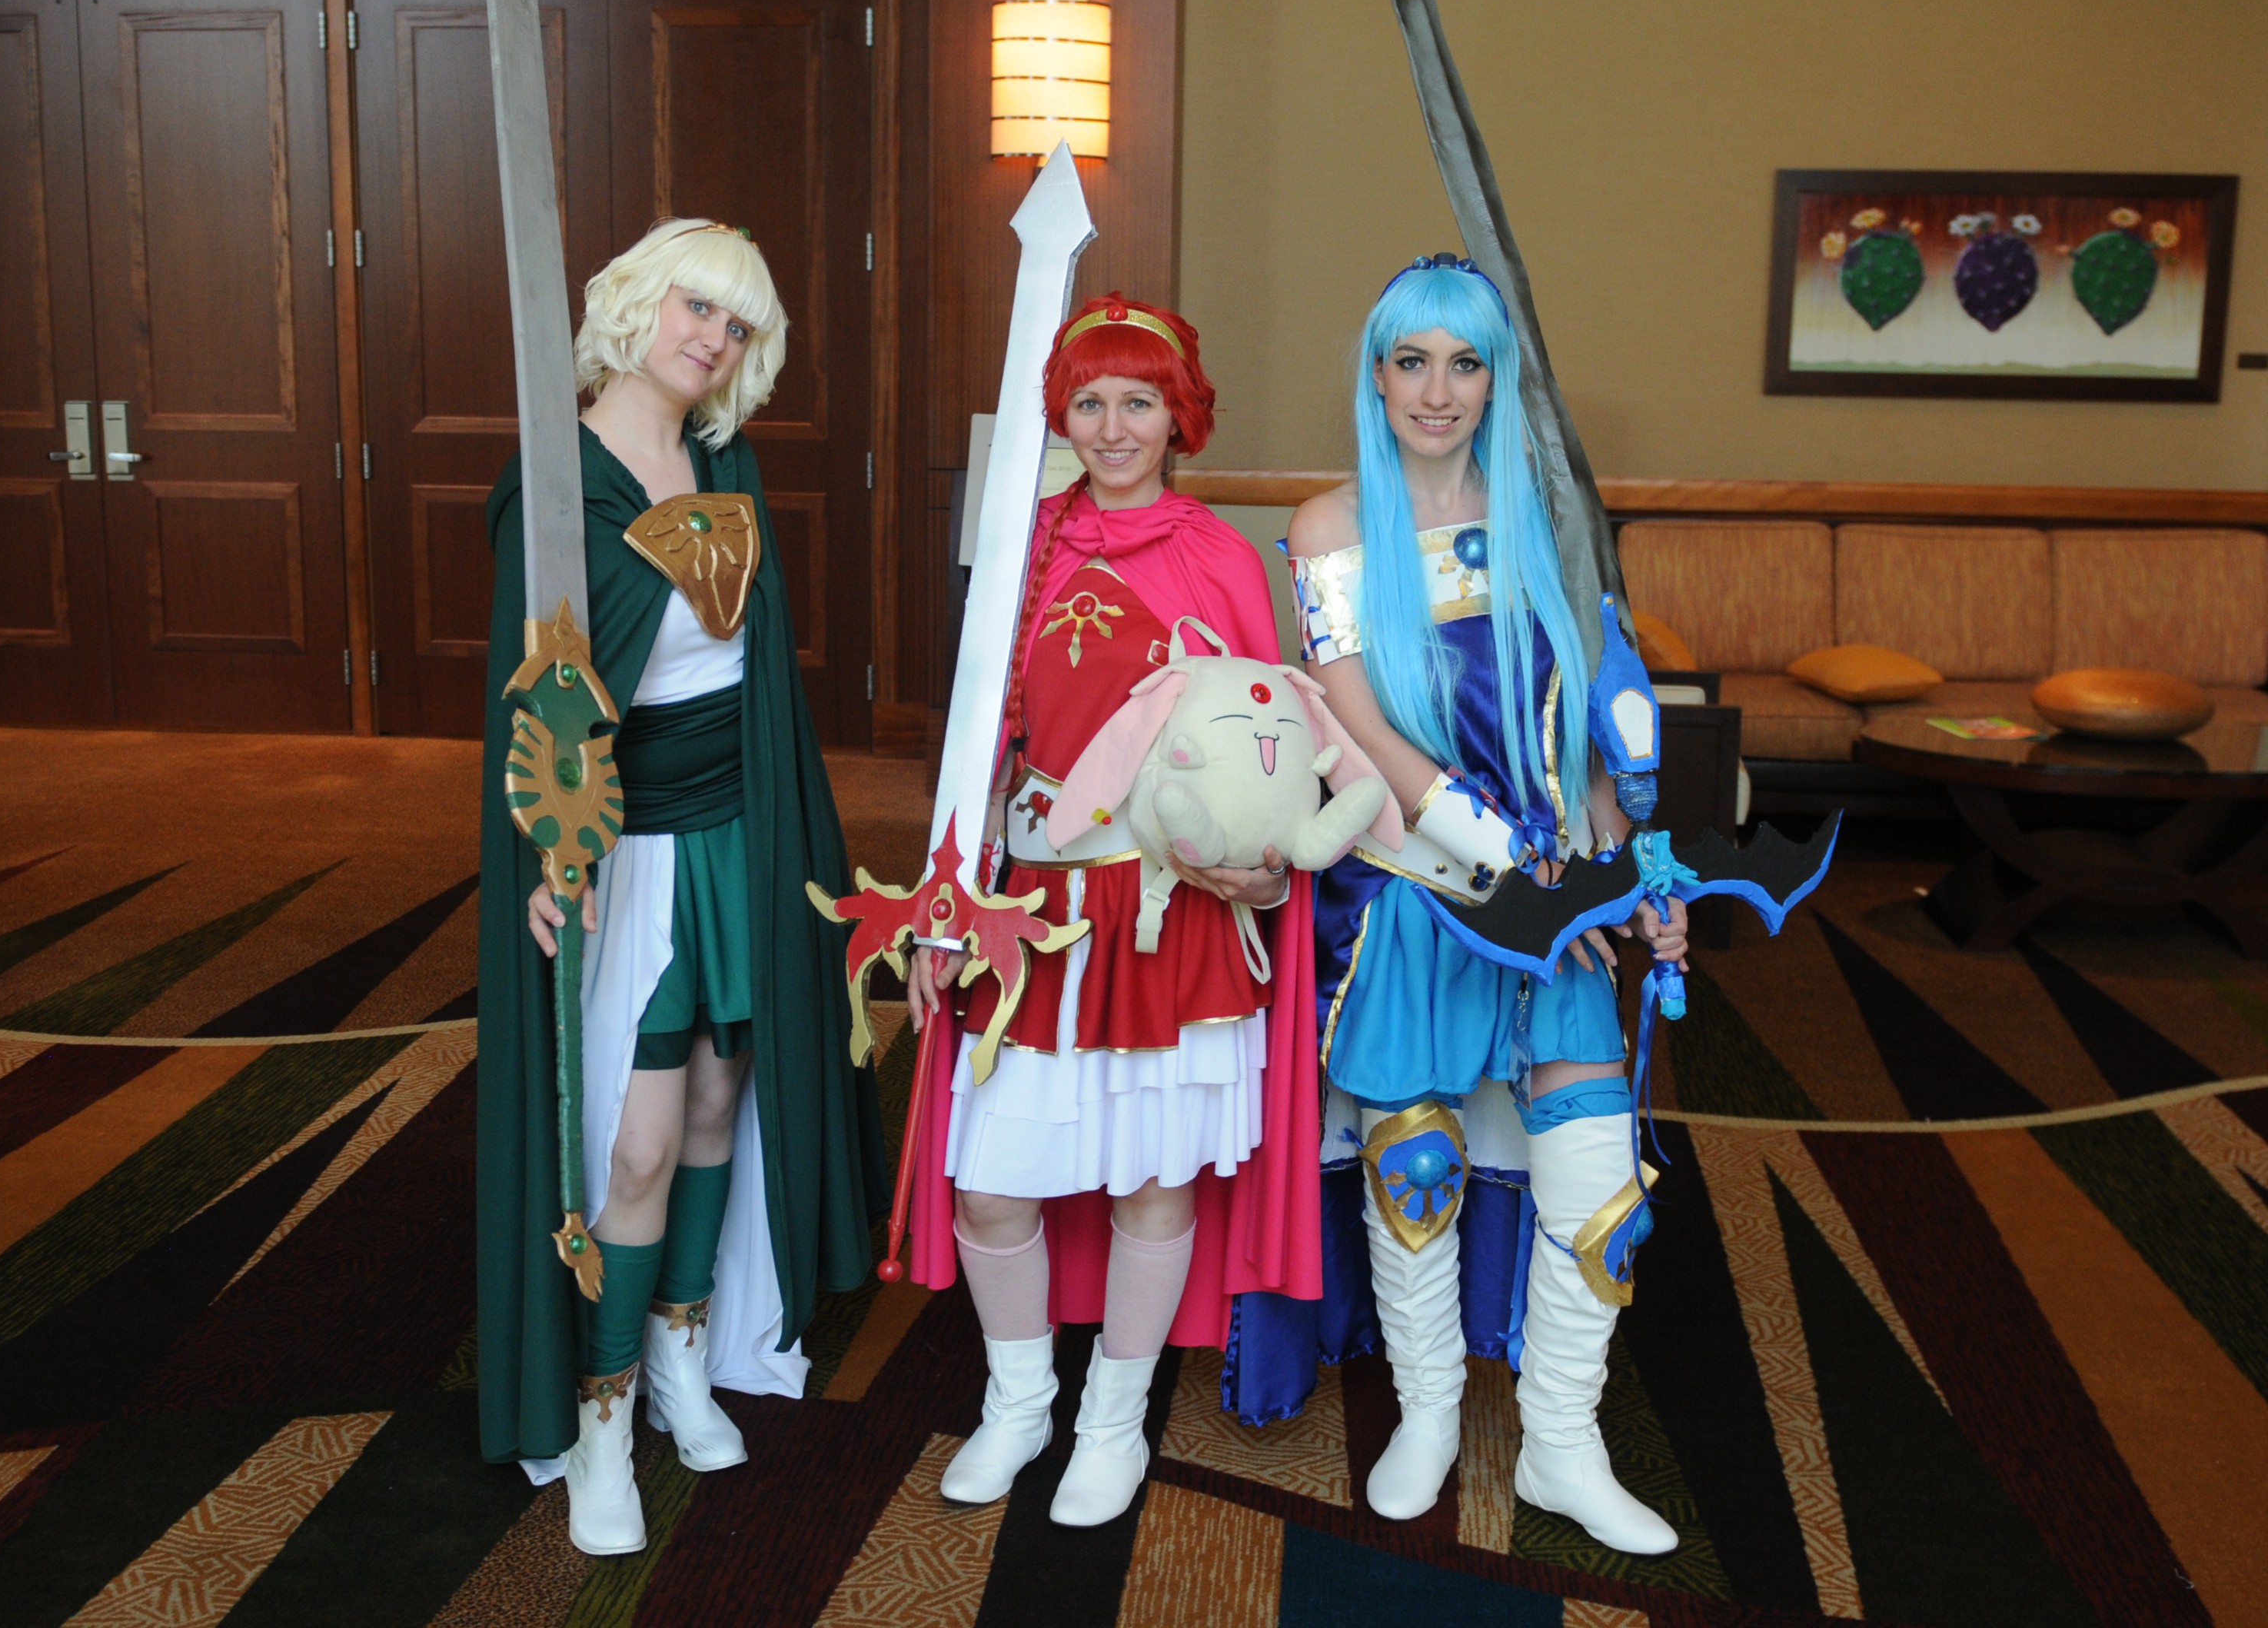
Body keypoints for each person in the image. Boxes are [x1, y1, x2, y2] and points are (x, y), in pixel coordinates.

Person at [476, 218, 886, 1556]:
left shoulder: (725, 459)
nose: (712, 338)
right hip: (631, 844)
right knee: (636, 1142)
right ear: (638, 302)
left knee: (718, 1103)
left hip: (744, 831)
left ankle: (680, 1355)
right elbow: (532, 701)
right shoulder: (554, 482)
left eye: (737, 323)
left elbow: (754, 668)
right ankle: (601, 1423)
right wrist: (547, 853)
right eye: (695, 307)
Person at [1286, 255, 1688, 1553]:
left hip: (1554, 894)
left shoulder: (1550, 525)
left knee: (1601, 1180)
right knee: (1414, 1166)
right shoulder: (1330, 530)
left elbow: (1597, 725)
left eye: (1466, 363)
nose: (1438, 390)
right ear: (1377, 375)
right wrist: (1491, 850)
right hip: (1416, 892)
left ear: (1498, 379)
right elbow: (1357, 723)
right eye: (1413, 361)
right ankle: (1429, 1415)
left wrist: (1634, 873)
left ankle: (1564, 1444)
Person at [906, 295, 1324, 1528]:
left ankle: (1112, 1422)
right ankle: (1019, 1403)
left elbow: (1272, 750)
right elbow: (977, 747)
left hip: (1170, 917)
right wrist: (944, 902)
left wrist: (1265, 871)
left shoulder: (1225, 560)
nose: (1112, 426)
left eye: (1139, 400)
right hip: (1033, 909)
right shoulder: (1023, 545)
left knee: (1153, 1185)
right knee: (993, 1186)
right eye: (1088, 402)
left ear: (1179, 414)